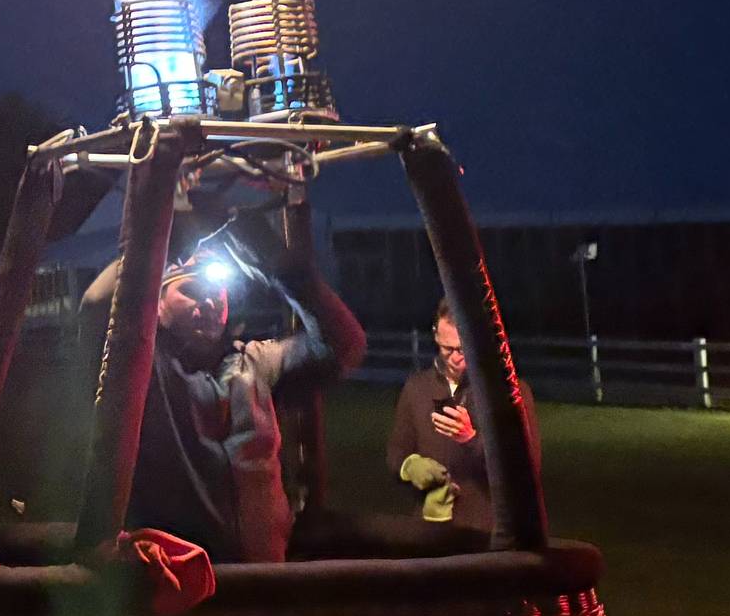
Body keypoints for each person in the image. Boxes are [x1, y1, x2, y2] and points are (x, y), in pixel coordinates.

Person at [82, 226, 366, 563]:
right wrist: (156, 245)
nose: (211, 300)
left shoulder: (255, 363)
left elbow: (343, 344)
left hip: (262, 569)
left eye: (219, 290)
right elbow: (98, 305)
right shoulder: (144, 368)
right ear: (156, 307)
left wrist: (281, 268)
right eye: (191, 290)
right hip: (177, 575)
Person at [388, 299, 536, 534]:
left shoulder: (508, 392)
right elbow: (396, 454)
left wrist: (471, 439)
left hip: (487, 532)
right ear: (436, 335)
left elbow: (526, 468)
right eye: (449, 349)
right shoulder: (417, 388)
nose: (458, 357)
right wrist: (411, 467)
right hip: (428, 528)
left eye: (464, 348)